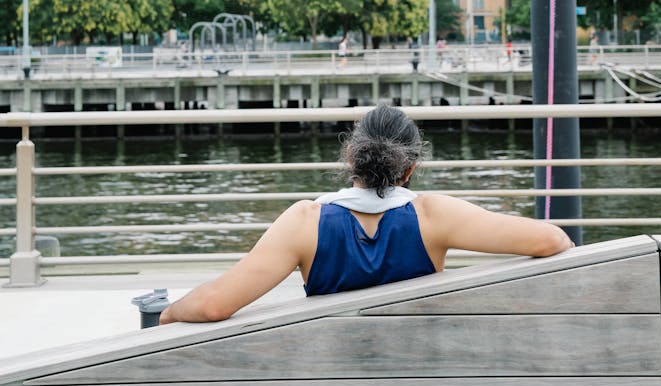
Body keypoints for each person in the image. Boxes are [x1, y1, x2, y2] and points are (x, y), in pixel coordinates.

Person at [159, 104, 574, 325]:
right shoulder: (434, 216)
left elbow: (213, 306)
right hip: (422, 380)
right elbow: (553, 240)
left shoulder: (306, 221)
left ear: (349, 155)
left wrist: (169, 312)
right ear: (410, 169)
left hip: (332, 385)